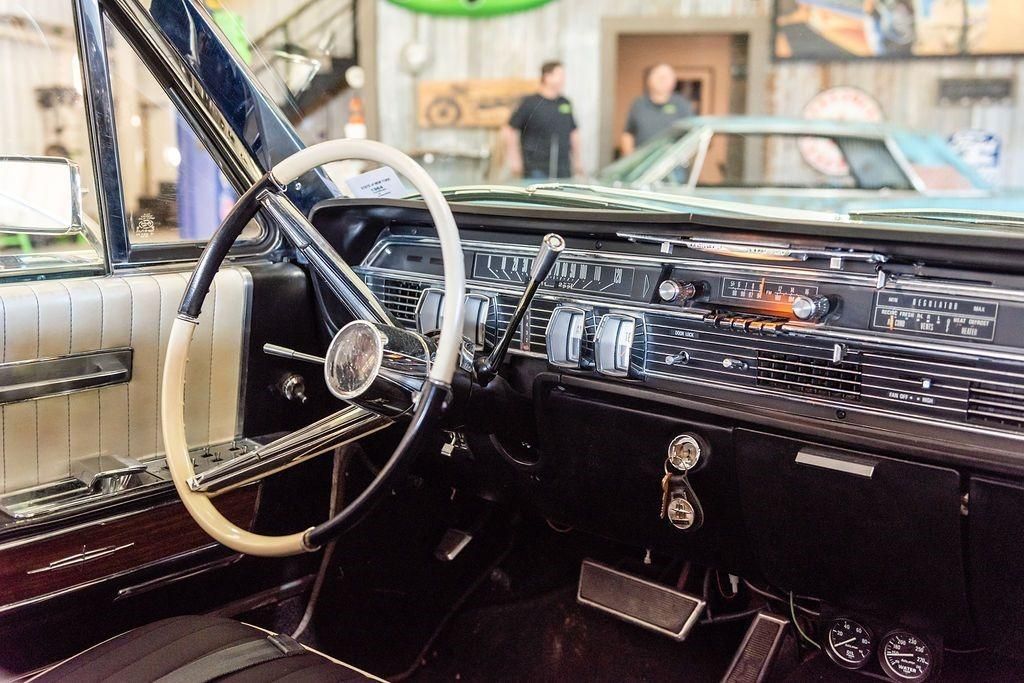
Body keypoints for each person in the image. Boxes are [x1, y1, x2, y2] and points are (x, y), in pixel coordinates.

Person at [503, 61, 583, 180]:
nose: (563, 79)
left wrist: (578, 161)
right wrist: (515, 160)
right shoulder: (530, 103)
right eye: (559, 75)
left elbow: (574, 133)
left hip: (563, 169)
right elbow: (509, 130)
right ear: (547, 77)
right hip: (536, 169)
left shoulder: (565, 103)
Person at [620, 63, 693, 156]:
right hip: (642, 162)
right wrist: (629, 158)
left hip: (673, 164)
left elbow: (692, 135)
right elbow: (628, 133)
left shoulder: (682, 105)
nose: (662, 80)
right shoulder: (638, 104)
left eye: (666, 77)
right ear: (649, 80)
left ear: (673, 82)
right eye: (659, 76)